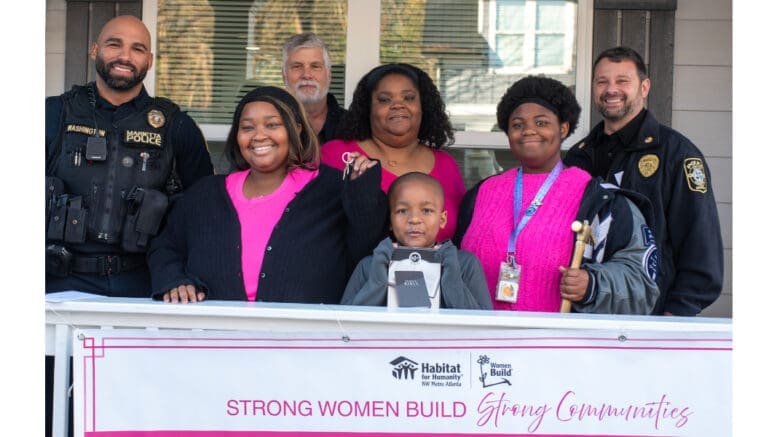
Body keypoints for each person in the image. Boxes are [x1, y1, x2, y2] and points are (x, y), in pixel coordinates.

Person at [147, 86, 388, 304]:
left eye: (272, 125)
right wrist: (174, 280)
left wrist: (362, 188)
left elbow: (368, 247)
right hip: (216, 333)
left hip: (307, 335)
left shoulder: (332, 188)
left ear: (296, 129)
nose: (259, 135)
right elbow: (165, 246)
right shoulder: (206, 194)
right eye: (247, 127)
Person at [454, 76, 660, 314]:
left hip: (557, 337)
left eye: (541, 122)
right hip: (482, 335)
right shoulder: (480, 194)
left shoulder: (600, 201)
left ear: (563, 128)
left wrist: (592, 285)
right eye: (517, 125)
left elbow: (642, 283)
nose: (528, 130)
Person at [44, 15, 214, 297]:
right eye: (114, 44)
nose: (125, 56)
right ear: (95, 50)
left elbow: (204, 210)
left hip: (147, 285)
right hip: (60, 283)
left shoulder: (176, 126)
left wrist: (180, 275)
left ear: (150, 60)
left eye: (137, 48)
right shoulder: (54, 114)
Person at [563, 47, 723, 316]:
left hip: (650, 316)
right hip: (582, 312)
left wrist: (675, 315)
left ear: (644, 87)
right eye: (602, 81)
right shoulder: (578, 157)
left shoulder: (677, 154)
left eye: (622, 81)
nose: (611, 90)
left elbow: (700, 242)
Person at [321, 63, 465, 242]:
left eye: (409, 98)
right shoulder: (336, 155)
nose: (398, 105)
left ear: (423, 106)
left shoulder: (446, 164)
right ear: (368, 108)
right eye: (384, 100)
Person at [341, 172, 492, 310]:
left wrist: (453, 280)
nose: (414, 219)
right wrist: (377, 283)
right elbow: (342, 322)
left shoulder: (464, 264)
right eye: (402, 211)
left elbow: (484, 324)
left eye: (426, 210)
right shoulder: (370, 264)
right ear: (390, 221)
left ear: (442, 219)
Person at [282, 32, 346, 145]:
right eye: (297, 66)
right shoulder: (271, 126)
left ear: (329, 75)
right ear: (284, 76)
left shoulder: (354, 126)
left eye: (315, 66)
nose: (306, 75)